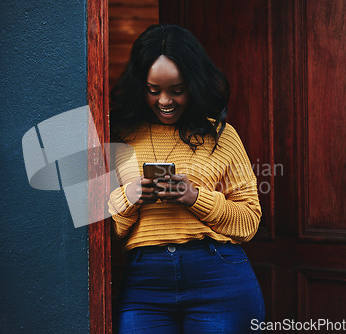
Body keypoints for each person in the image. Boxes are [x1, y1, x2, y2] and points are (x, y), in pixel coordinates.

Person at [108, 24, 265, 334]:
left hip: (218, 276)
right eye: (154, 90)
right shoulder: (119, 138)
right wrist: (131, 197)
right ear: (141, 86)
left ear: (194, 83)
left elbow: (249, 221)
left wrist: (195, 197)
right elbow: (104, 236)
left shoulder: (222, 135)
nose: (165, 100)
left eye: (176, 89)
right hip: (145, 285)